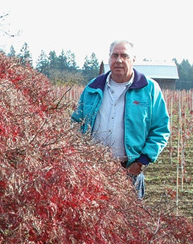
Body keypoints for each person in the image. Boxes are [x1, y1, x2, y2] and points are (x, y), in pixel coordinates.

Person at [71, 40, 170, 199]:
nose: (119, 60)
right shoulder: (93, 87)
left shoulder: (149, 89)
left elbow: (161, 130)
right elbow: (76, 123)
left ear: (133, 60)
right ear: (109, 59)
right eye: (114, 55)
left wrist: (141, 162)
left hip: (129, 170)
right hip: (94, 169)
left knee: (128, 220)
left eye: (124, 56)